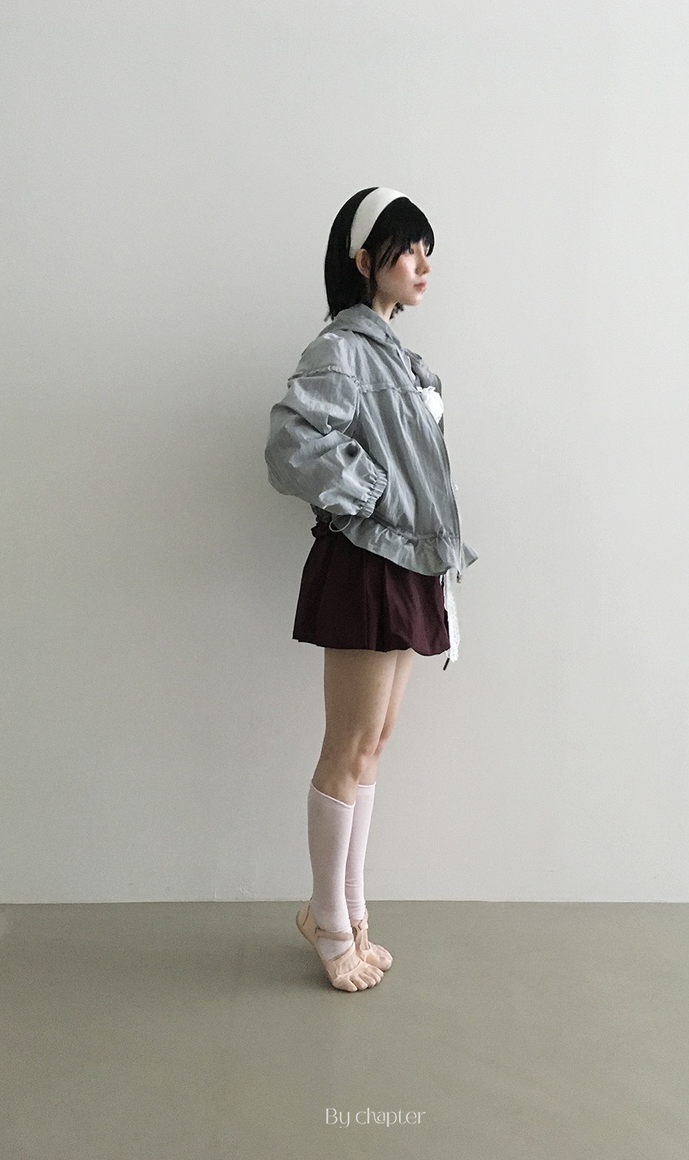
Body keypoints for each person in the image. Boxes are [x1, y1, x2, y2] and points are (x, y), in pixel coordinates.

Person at [265, 187, 476, 992]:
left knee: (374, 742)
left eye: (427, 251)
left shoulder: (399, 357)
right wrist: (371, 492)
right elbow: (291, 445)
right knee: (347, 746)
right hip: (366, 562)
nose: (423, 265)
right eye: (406, 249)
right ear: (364, 260)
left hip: (409, 563)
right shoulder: (341, 348)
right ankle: (326, 921)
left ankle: (350, 912)